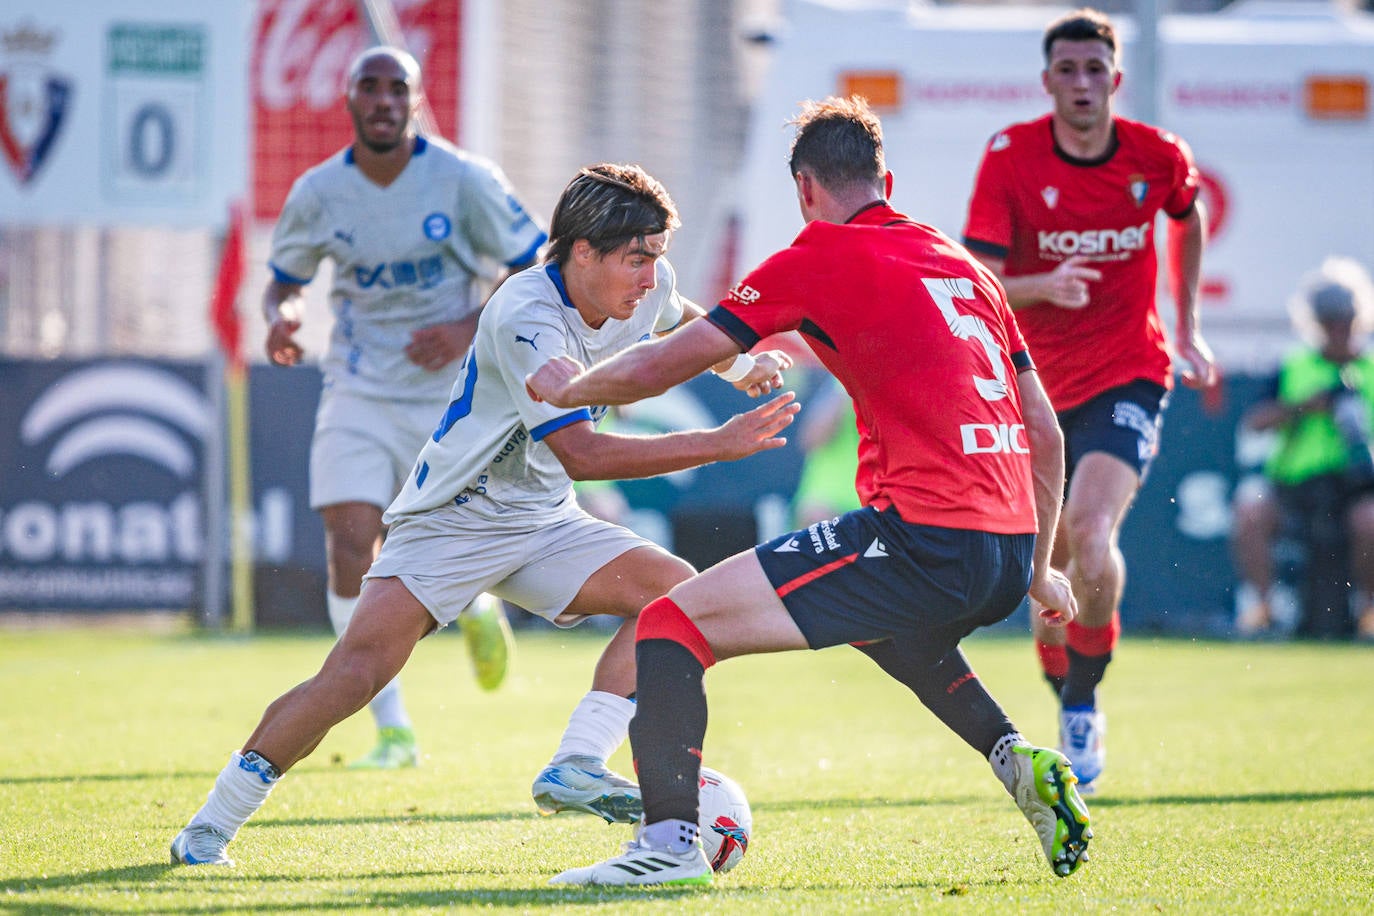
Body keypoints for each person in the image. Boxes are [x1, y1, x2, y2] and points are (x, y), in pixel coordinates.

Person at [529, 96, 1092, 886]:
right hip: (1004, 551)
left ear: (804, 190)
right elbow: (1047, 429)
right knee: (898, 635)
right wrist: (1037, 569)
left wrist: (566, 387)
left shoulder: (817, 255)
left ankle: (666, 847)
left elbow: (664, 362)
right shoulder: (964, 266)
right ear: (884, 179)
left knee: (669, 628)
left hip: (924, 538)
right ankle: (1017, 762)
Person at [169, 161, 799, 867]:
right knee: (355, 675)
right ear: (581, 252)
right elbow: (583, 454)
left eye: (656, 256)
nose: (651, 275)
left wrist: (739, 366)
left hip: (543, 518)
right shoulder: (525, 313)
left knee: (677, 594)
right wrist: (714, 446)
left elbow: (678, 314)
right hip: (453, 518)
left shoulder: (642, 288)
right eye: (636, 259)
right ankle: (209, 826)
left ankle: (577, 764)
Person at [261, 46, 546, 769]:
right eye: (371, 88)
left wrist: (465, 327)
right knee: (351, 541)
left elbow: (538, 265)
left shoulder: (463, 180)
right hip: (357, 385)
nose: (384, 101)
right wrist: (283, 316)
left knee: (455, 542)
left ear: (416, 102)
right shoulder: (319, 191)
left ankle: (476, 604)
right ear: (351, 100)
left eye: (398, 89)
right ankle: (393, 729)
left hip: (453, 396)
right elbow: (285, 280)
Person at [960, 7, 1218, 791]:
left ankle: (1081, 703)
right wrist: (1043, 285)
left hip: (1128, 370)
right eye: (1066, 71)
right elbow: (976, 281)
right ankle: (1062, 686)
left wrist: (1190, 326)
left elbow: (1188, 215)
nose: (1081, 83)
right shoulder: (1010, 156)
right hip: (1032, 385)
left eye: (1094, 70)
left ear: (1116, 79)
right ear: (1047, 82)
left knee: (1091, 528)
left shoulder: (1157, 154)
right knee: (1048, 564)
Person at [1231, 257, 1374, 639]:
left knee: (1369, 521)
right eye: (1328, 318)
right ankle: (1263, 608)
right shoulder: (1294, 367)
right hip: (1295, 486)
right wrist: (1303, 407)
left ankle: (1368, 611)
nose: (1338, 327)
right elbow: (1255, 422)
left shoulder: (1371, 370)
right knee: (1250, 511)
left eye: (1345, 317)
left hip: (1357, 488)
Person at [790, 370, 862, 527]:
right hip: (828, 501)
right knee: (818, 518)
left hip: (882, 503)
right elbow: (811, 438)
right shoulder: (842, 379)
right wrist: (847, 388)